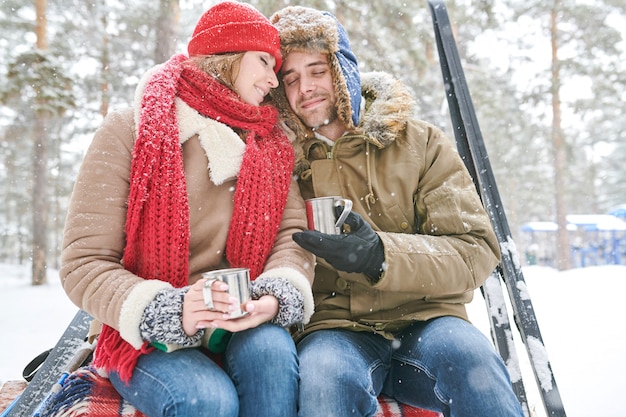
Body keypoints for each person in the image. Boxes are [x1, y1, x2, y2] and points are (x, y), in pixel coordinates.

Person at [59, 2, 314, 417]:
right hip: (145, 333)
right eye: (264, 61)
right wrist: (168, 308)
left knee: (271, 356)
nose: (273, 79)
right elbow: (83, 263)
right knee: (208, 400)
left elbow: (292, 235)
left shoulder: (272, 145)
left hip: (239, 320)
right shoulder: (132, 128)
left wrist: (276, 294)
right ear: (228, 57)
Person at [270, 6, 525, 417]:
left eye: (317, 70)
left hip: (428, 321)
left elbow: (475, 250)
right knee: (323, 381)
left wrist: (381, 256)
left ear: (342, 70)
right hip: (334, 329)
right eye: (291, 78)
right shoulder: (277, 160)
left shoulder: (420, 143)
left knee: (474, 362)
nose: (305, 88)